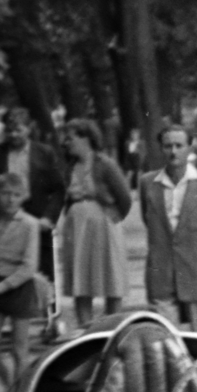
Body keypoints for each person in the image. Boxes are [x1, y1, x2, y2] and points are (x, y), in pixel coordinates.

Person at [140, 123, 197, 333]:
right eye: (167, 146)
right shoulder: (148, 183)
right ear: (160, 148)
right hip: (161, 269)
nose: (173, 151)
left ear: (190, 148)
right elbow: (150, 220)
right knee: (165, 336)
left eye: (179, 145)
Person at [0, 108, 66, 282]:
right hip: (4, 219)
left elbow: (58, 189)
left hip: (37, 218)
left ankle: (46, 307)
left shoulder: (44, 153)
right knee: (4, 270)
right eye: (9, 130)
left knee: (42, 273)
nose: (14, 134)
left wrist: (49, 217)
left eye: (18, 130)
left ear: (29, 129)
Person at [58, 118, 131, 327]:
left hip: (104, 225)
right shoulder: (69, 167)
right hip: (77, 228)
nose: (65, 142)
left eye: (70, 137)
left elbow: (124, 196)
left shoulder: (104, 164)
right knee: (81, 280)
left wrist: (113, 215)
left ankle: (112, 325)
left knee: (111, 276)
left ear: (86, 138)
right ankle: (85, 328)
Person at [0, 172, 42, 386]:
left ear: (24, 196)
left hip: (19, 287)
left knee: (19, 350)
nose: (10, 199)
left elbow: (29, 266)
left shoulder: (30, 224)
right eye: (5, 194)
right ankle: (10, 388)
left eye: (16, 194)